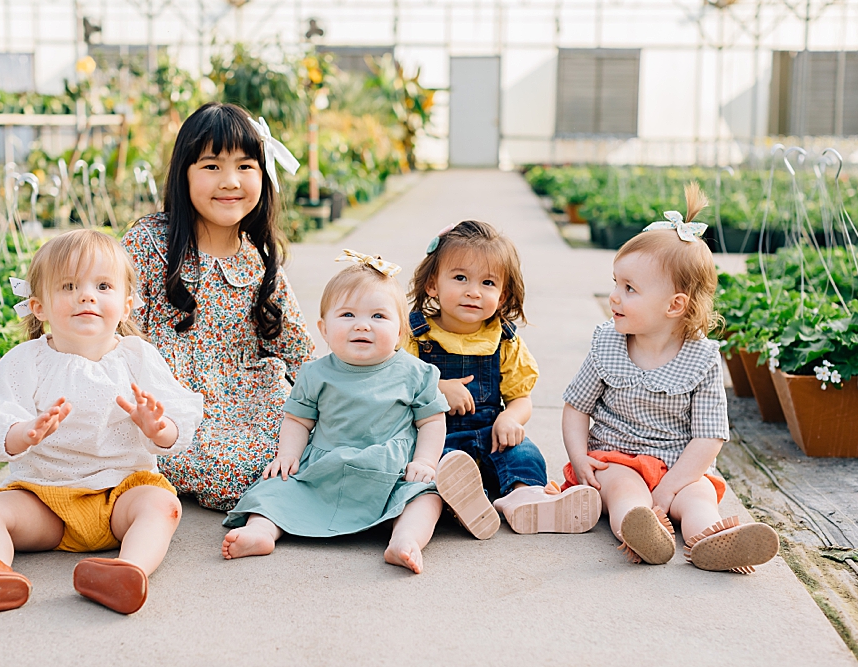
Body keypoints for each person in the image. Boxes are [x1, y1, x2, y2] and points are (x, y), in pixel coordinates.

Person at [0, 230, 203, 619]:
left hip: (121, 494)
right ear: (39, 307)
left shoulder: (138, 357)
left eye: (102, 285)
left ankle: (127, 571)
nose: (86, 295)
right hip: (45, 500)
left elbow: (177, 413)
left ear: (125, 306)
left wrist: (159, 428)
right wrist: (24, 432)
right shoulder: (27, 362)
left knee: (163, 505)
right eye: (69, 286)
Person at [561, 184, 779, 571]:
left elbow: (708, 437)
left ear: (674, 305)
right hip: (617, 456)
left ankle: (712, 540)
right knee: (625, 492)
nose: (614, 296)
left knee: (696, 497)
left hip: (679, 464)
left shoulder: (702, 359)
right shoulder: (608, 344)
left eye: (629, 289)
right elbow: (576, 407)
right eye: (615, 282)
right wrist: (580, 458)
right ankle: (641, 532)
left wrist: (670, 487)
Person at [122, 102, 315, 511]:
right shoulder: (149, 244)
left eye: (245, 166)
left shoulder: (257, 258)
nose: (230, 181)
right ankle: (279, 504)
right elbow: (114, 329)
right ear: (184, 174)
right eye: (211, 166)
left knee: (314, 444)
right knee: (250, 466)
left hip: (251, 401)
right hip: (176, 409)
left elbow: (298, 351)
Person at [222, 251, 459, 574]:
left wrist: (425, 462)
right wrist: (288, 455)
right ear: (323, 328)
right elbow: (297, 420)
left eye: (378, 316)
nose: (363, 325)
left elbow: (431, 421)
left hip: (391, 473)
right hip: (325, 471)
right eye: (347, 315)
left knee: (426, 496)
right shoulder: (315, 374)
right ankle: (261, 532)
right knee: (274, 487)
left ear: (402, 333)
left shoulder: (416, 373)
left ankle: (405, 539)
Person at [407, 220, 600, 539]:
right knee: (436, 468)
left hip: (490, 433)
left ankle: (525, 498)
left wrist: (511, 418)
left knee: (524, 454)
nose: (473, 291)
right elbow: (395, 384)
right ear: (432, 285)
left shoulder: (504, 339)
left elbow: (520, 397)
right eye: (460, 278)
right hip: (437, 438)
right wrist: (436, 388)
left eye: (487, 283)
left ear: (502, 294)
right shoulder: (416, 336)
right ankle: (464, 503)